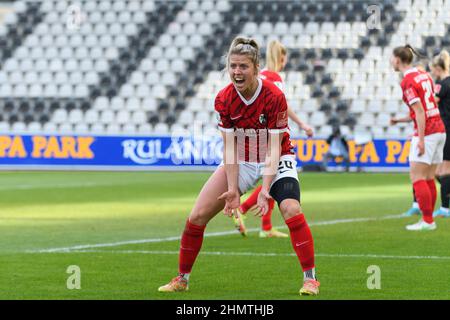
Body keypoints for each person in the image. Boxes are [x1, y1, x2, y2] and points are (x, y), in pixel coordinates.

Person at [158, 37, 320, 295]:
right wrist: (233, 189)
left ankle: (310, 279)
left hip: (276, 158)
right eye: (233, 66)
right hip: (242, 159)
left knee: (290, 207)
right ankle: (182, 279)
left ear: (256, 68)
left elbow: (276, 147)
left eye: (243, 66)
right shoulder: (224, 98)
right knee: (197, 215)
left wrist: (266, 189)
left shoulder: (274, 95)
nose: (237, 71)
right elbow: (230, 148)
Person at [232, 40, 314, 238]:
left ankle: (265, 227)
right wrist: (302, 124)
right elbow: (282, 106)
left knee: (271, 181)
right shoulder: (274, 78)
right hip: (269, 140)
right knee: (275, 181)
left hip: (255, 138)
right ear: (281, 58)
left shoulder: (262, 75)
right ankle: (242, 209)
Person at [389, 44, 446, 231]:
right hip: (439, 129)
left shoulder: (407, 81)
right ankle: (429, 220)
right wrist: (399, 119)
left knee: (417, 176)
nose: (391, 61)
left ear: (398, 59)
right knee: (429, 177)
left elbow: (420, 112)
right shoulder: (424, 74)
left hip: (427, 132)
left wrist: (420, 139)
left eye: (392, 58)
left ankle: (428, 221)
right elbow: (424, 108)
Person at [430, 49, 450, 217]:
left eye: (434, 69)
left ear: (438, 68)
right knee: (439, 170)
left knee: (442, 170)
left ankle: (445, 208)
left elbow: (431, 102)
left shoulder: (442, 84)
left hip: (447, 129)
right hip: (445, 129)